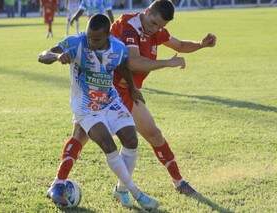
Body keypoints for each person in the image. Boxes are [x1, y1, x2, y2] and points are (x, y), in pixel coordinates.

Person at [51, 0, 217, 208]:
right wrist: (167, 63)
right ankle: (57, 183)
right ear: (147, 11)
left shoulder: (155, 30)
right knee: (80, 135)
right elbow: (133, 63)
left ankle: (175, 182)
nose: (154, 28)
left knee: (152, 134)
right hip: (104, 87)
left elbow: (180, 46)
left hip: (127, 91)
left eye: (159, 26)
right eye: (153, 22)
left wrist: (201, 45)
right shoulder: (129, 26)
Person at [38, 14, 160, 210]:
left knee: (131, 140)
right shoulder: (77, 42)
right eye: (89, 37)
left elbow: (121, 65)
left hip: (110, 102)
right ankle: (136, 193)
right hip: (85, 106)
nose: (91, 42)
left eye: (96, 39)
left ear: (108, 35)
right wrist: (57, 56)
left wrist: (132, 88)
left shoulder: (118, 47)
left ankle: (121, 190)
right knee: (108, 144)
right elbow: (42, 55)